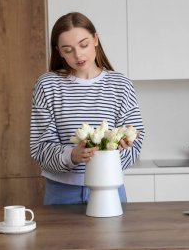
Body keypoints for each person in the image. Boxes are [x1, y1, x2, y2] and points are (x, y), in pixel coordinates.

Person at [30, 12, 145, 205]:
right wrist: (72, 156)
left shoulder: (121, 84)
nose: (78, 55)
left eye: (83, 45)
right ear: (59, 51)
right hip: (62, 193)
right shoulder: (47, 85)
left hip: (110, 188)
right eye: (68, 50)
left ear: (95, 39)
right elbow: (39, 147)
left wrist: (115, 152)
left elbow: (136, 141)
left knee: (114, 237)